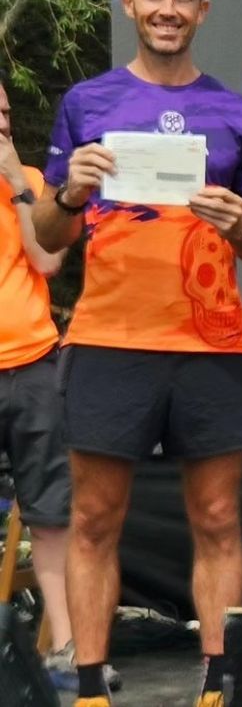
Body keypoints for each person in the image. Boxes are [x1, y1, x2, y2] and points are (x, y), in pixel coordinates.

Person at [31, 0, 242, 707]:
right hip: (109, 340)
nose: (168, 8)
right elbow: (48, 234)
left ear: (201, 11)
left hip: (210, 345)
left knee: (216, 516)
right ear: (128, 5)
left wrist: (240, 221)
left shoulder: (237, 113)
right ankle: (89, 689)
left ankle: (216, 681)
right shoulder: (88, 104)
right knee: (96, 517)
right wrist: (70, 191)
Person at [0, 78, 83, 690]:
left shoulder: (28, 181)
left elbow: (49, 260)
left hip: (31, 364)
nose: (2, 124)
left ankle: (67, 646)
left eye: (5, 114)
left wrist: (18, 182)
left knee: (52, 512)